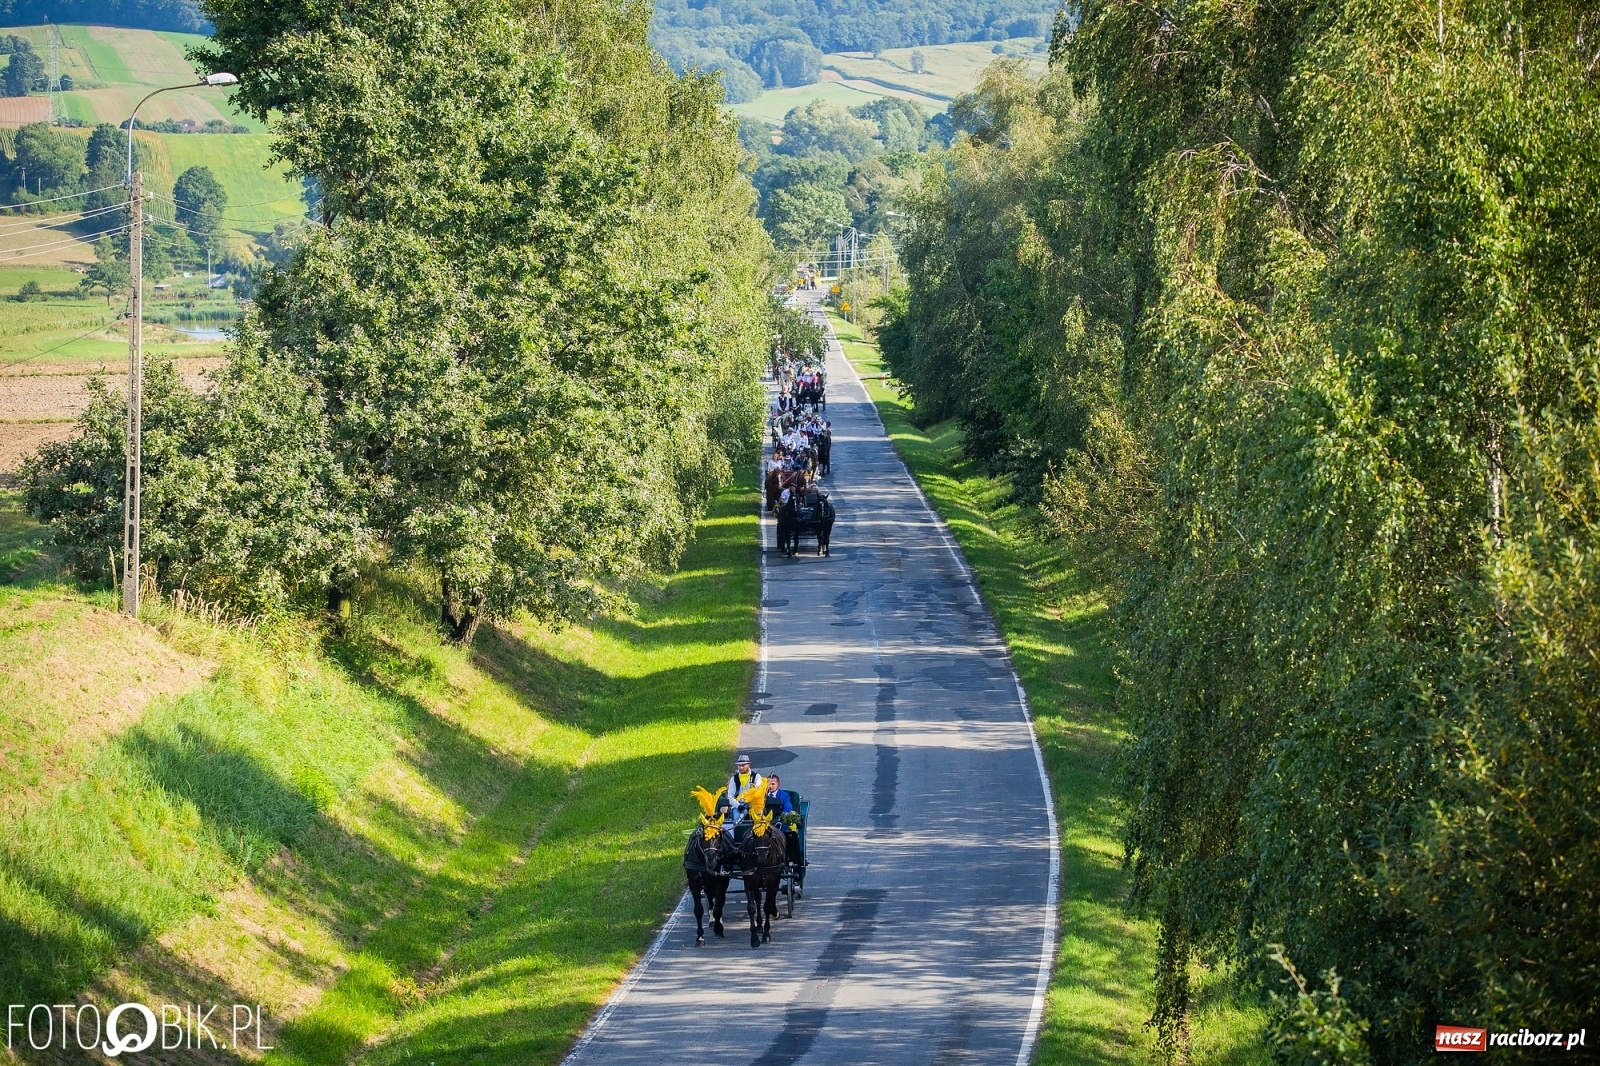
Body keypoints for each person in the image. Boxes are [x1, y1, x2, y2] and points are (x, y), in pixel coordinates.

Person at [725, 754, 766, 823]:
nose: (741, 767)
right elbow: (730, 796)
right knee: (736, 821)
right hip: (739, 804)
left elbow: (758, 792)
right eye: (739, 765)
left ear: (749, 765)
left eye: (743, 765)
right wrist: (738, 806)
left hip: (753, 804)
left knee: (759, 821)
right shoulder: (734, 778)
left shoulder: (756, 776)